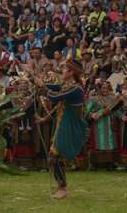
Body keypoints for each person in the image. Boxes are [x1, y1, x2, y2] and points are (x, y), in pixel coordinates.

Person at [41, 60, 88, 200]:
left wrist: (43, 88)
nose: (61, 71)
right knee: (55, 155)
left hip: (71, 125)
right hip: (64, 123)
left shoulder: (75, 89)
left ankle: (62, 188)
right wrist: (35, 80)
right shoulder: (66, 85)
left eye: (64, 68)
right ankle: (61, 187)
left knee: (55, 155)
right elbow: (53, 87)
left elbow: (54, 97)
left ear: (71, 72)